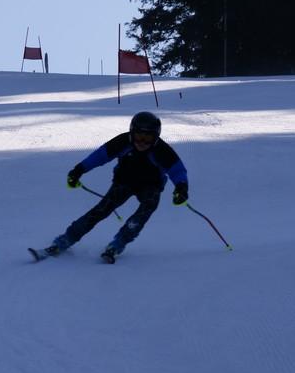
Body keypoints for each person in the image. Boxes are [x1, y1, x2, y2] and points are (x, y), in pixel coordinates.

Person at [36, 111, 188, 264]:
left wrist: (181, 187)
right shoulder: (123, 142)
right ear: (131, 133)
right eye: (138, 136)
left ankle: (119, 242)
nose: (142, 142)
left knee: (145, 210)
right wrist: (79, 169)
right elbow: (100, 156)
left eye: (147, 138)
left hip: (151, 187)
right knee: (101, 210)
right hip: (124, 182)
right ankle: (66, 239)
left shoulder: (162, 151)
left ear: (156, 137)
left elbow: (178, 170)